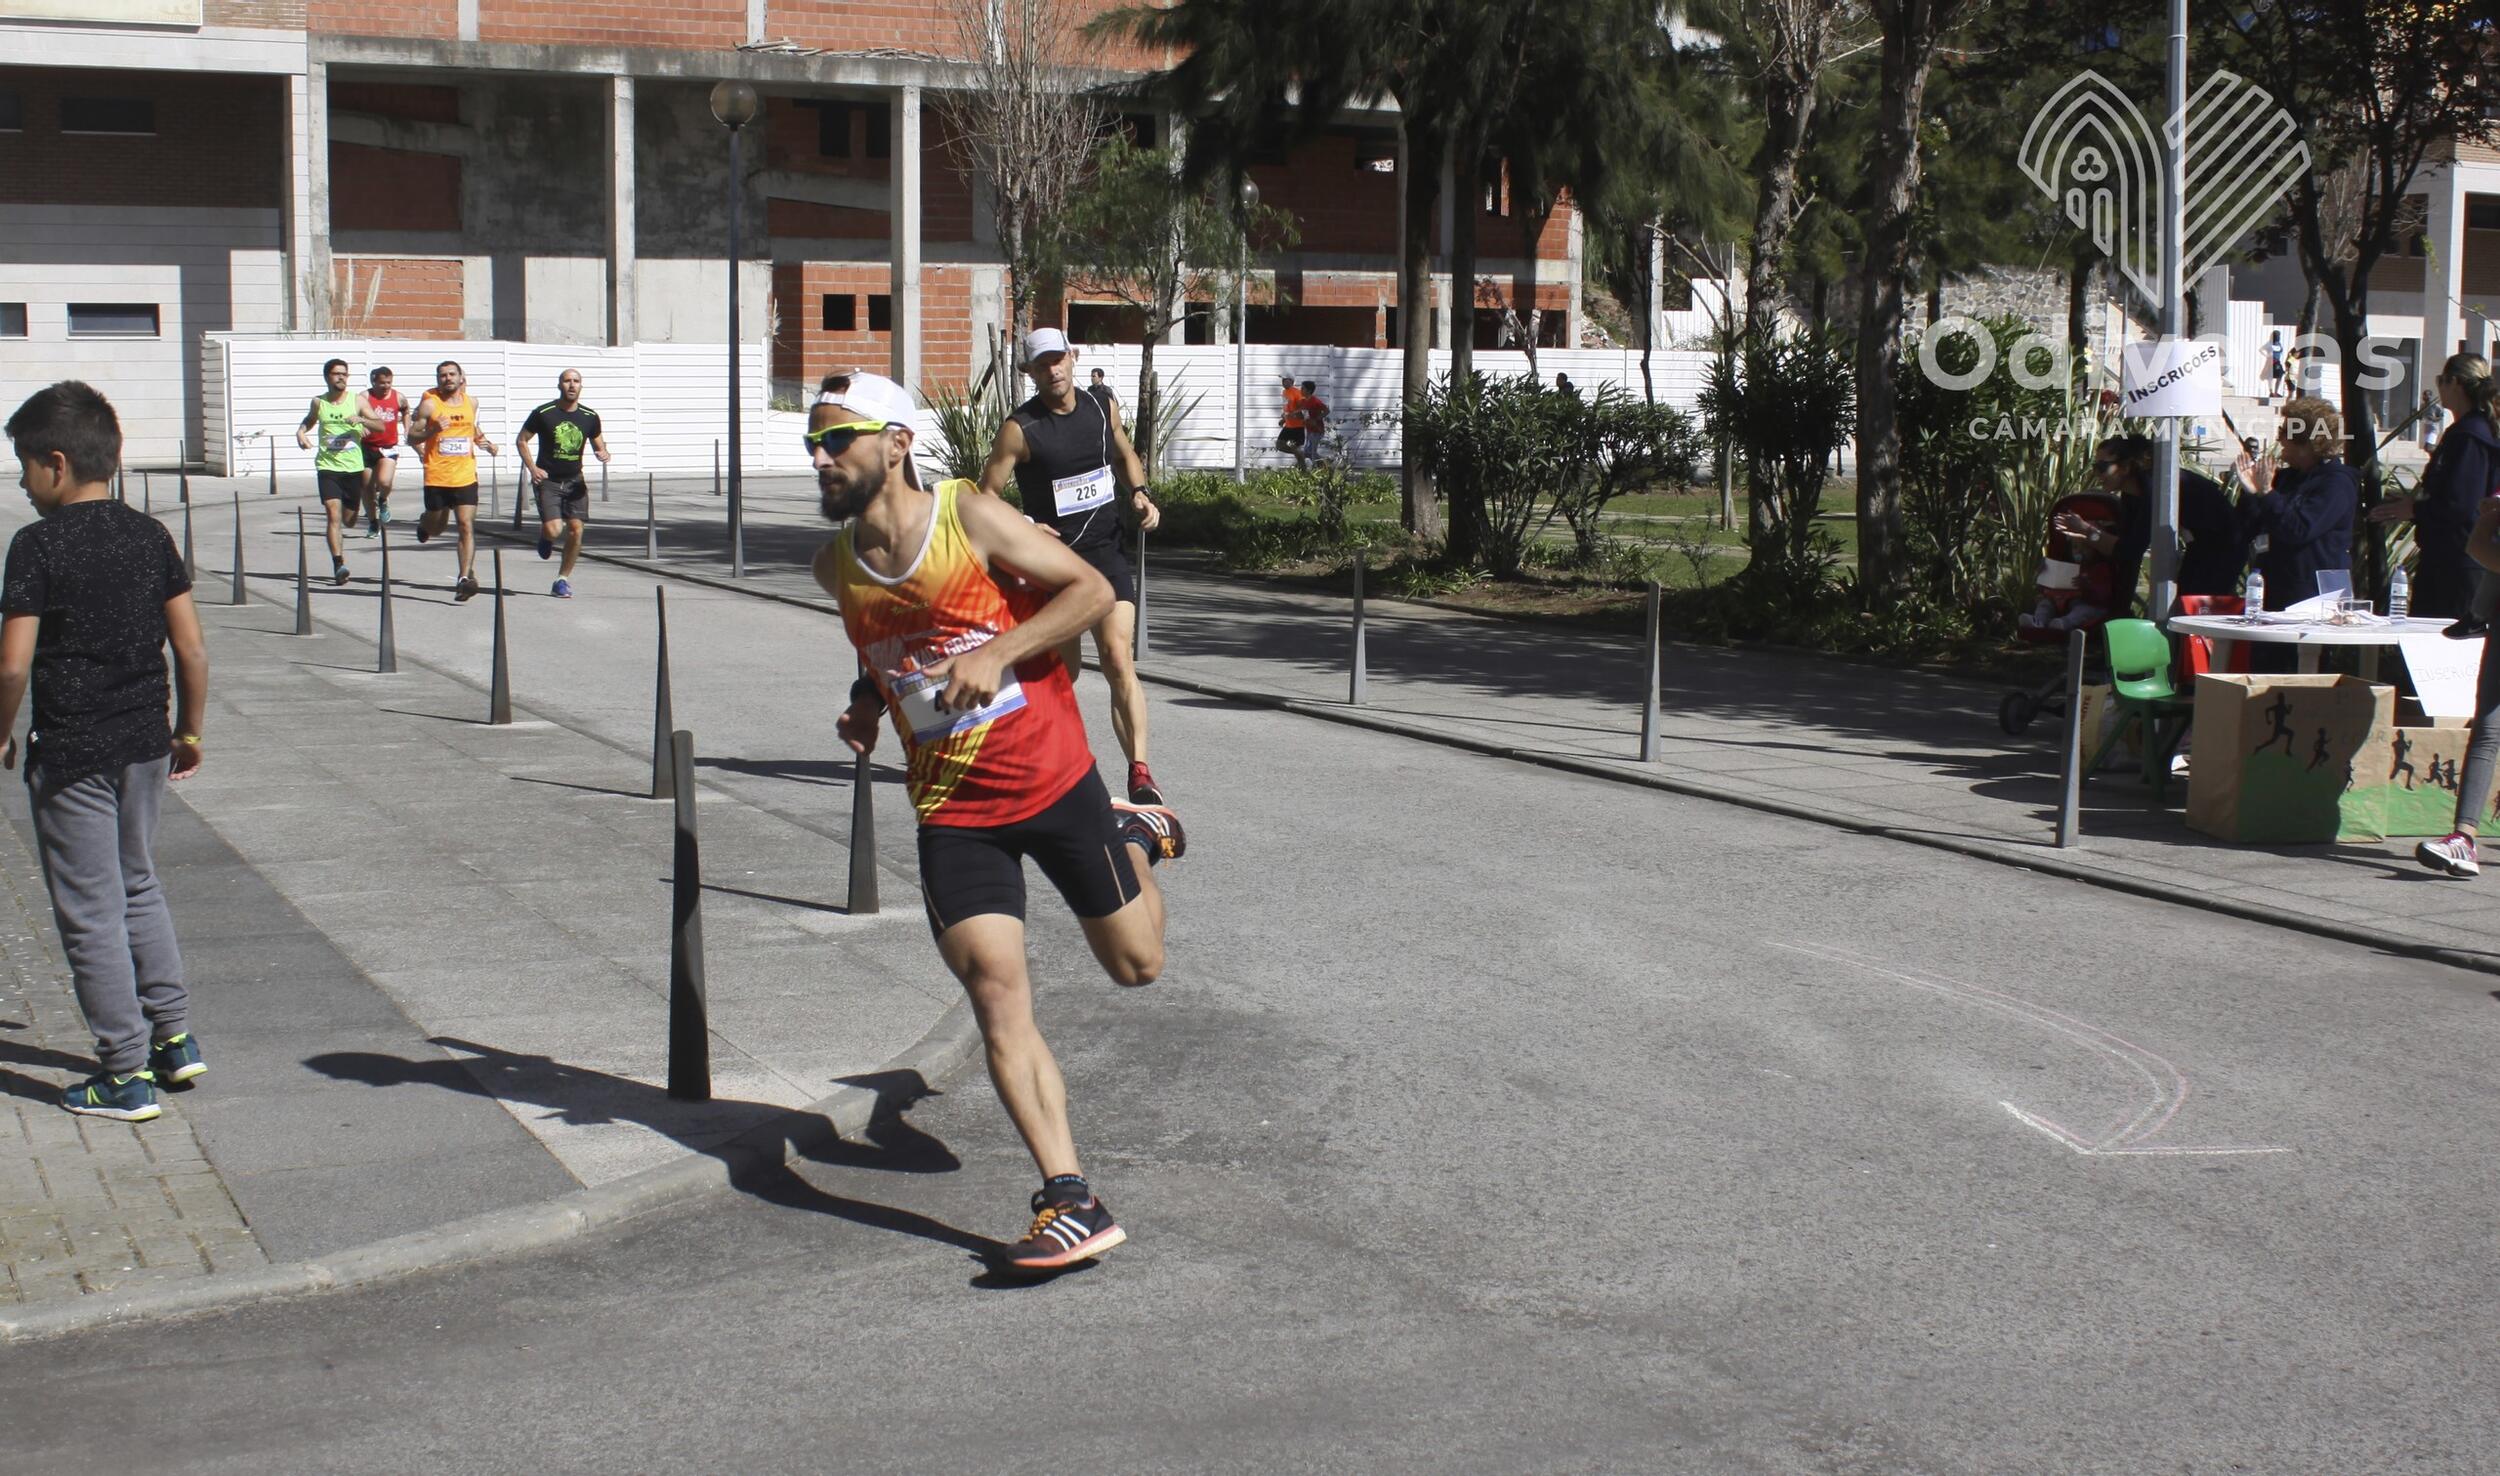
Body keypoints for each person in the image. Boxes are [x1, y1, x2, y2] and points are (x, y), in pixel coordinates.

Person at [809, 371, 1185, 1274]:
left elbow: (1088, 590)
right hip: (951, 810)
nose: (821, 458)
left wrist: (1001, 649)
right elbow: (890, 649)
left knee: (1137, 965)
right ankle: (1071, 1198)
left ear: (896, 443)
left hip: (1053, 781)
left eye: (837, 439)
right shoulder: (834, 567)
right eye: (814, 443)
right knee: (995, 997)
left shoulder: (968, 517)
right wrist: (867, 703)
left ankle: (1135, 834)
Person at [0, 382, 209, 1122]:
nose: (22, 483)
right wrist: (189, 732)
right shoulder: (150, 536)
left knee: (89, 910)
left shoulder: (36, 546)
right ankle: (172, 1038)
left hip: (73, 751)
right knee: (138, 883)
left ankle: (123, 1072)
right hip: (146, 742)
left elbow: (12, 665)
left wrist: (1, 729)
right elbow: (191, 649)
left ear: (56, 463)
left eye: (24, 466)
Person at [979, 328, 1167, 805]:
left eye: (1058, 359)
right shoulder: (1021, 429)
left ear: (1073, 357)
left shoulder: (1102, 407)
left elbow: (1124, 453)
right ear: (1030, 372)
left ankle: (1140, 773)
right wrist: (1024, 525)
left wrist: (1140, 492)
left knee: (1118, 658)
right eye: (1042, 364)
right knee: (1063, 676)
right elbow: (985, 497)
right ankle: (1035, 755)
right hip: (1056, 569)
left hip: (1106, 554)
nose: (1053, 370)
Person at [2410, 357, 2500, 880]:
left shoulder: (2471, 439)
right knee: (2488, 727)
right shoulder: (2479, 438)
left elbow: (2482, 548)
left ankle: (2464, 836)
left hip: (2487, 599)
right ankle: (2463, 836)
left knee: (2488, 728)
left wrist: (2486, 523)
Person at [2369, 352, 2500, 632]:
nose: (2439, 386)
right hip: (2448, 561)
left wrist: (2414, 509)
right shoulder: (2466, 431)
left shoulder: (2470, 436)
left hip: (2457, 566)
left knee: (2440, 643)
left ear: (2456, 383)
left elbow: (2461, 504)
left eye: (2441, 380)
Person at [2063, 433, 2244, 614]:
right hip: (2200, 545)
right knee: (2184, 606)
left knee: (2194, 608)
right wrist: (2088, 534)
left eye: (2102, 467)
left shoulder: (2155, 487)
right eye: (2095, 467)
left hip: (2225, 545)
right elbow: (2125, 551)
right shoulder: (2132, 495)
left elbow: (2131, 549)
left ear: (2125, 467)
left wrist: (2088, 531)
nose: (2097, 475)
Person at [2237, 395, 2357, 612]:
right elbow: (2249, 528)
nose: (2278, 439)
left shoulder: (2336, 483)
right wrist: (2252, 493)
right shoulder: (2286, 477)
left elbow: (2299, 529)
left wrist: (2267, 494)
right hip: (2276, 590)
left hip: (2316, 599)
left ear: (2306, 443)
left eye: (2284, 432)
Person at [405, 359, 497, 602]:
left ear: (460, 377)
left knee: (466, 525)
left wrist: (486, 443)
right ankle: (425, 524)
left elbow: (471, 428)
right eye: (443, 375)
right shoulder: (429, 405)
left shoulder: (472, 402)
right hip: (437, 475)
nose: (447, 378)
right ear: (438, 379)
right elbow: (411, 437)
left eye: (451, 374)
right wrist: (432, 430)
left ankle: (464, 578)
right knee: (437, 528)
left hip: (465, 475)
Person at [517, 369, 609, 600]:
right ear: (559, 385)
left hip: (575, 481)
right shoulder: (544, 413)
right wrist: (533, 468)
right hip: (548, 481)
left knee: (577, 529)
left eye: (576, 381)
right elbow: (522, 440)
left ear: (581, 386)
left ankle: (562, 580)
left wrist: (603, 453)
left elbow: (598, 443)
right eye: (567, 381)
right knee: (554, 530)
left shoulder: (589, 416)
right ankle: (546, 536)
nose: (572, 385)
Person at [295, 358, 377, 587]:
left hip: (353, 468)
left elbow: (379, 425)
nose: (341, 377)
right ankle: (339, 564)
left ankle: (353, 515)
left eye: (344, 374)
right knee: (333, 514)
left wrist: (362, 420)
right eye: (336, 374)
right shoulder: (319, 402)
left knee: (349, 520)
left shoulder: (357, 400)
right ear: (327, 377)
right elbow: (310, 420)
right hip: (328, 467)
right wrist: (300, 432)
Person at [2017, 515, 2117, 633]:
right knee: (2045, 605)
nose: (2080, 552)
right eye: (2075, 547)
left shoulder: (2099, 569)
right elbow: (2047, 588)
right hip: (2061, 601)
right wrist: (2044, 574)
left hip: (2086, 603)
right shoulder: (2065, 566)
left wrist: (2088, 586)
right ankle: (2038, 621)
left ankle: (2064, 623)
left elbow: (2105, 595)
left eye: (2086, 548)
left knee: (2082, 611)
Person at [358, 366, 405, 537]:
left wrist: (407, 428)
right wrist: (361, 426)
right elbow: (354, 415)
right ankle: (373, 523)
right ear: (373, 382)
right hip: (367, 447)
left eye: (389, 382)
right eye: (382, 383)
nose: (386, 386)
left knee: (384, 481)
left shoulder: (398, 397)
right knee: (366, 487)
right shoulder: (364, 397)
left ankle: (383, 499)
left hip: (388, 447)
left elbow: (406, 410)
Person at [1276, 373, 1307, 467]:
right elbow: (1289, 409)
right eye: (1282, 380)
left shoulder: (1297, 393)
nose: (1283, 382)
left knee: (1293, 448)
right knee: (1280, 445)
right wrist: (1284, 419)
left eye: (1285, 380)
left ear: (1292, 381)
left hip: (1297, 426)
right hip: (1289, 425)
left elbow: (1302, 411)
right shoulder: (1285, 392)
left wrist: (1290, 416)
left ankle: (1304, 462)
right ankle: (1303, 457)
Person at [1297, 379, 1330, 456]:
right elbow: (1303, 414)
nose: (1301, 390)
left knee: (1311, 452)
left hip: (1317, 430)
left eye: (1303, 388)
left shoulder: (1315, 401)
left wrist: (1316, 419)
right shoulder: (1303, 401)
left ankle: (1323, 463)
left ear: (1309, 391)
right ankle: (1320, 462)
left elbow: (1327, 411)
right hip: (1309, 429)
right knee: (1307, 451)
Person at [2263, 331, 2286, 404]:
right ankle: (2271, 392)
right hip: (2271, 362)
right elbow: (2261, 349)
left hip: (2277, 362)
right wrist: (2267, 355)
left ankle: (2275, 392)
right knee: (2270, 377)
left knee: (2279, 376)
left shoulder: (2279, 344)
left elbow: (2281, 351)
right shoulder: (2270, 344)